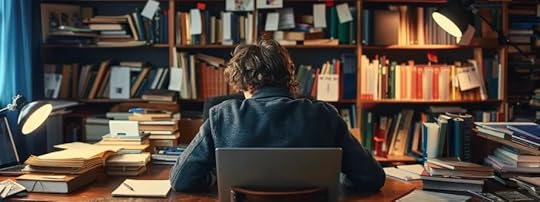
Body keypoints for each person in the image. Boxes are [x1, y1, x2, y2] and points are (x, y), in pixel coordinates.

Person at [169, 39, 385, 193]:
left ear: (244, 81)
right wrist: (339, 180)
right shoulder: (323, 115)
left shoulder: (222, 117)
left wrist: (215, 180)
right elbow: (372, 178)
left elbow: (181, 180)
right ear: (288, 76)